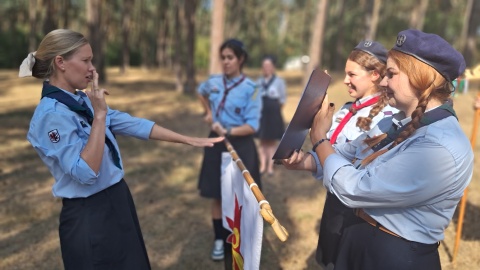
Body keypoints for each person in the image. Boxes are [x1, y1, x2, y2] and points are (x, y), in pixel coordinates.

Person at [21, 29, 223, 270]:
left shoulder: (81, 100)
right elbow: (85, 171)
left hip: (117, 200)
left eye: (91, 60)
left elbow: (131, 123)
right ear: (61, 62)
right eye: (85, 60)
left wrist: (188, 139)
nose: (92, 69)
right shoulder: (51, 115)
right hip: (89, 214)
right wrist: (100, 115)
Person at [283, 29, 473, 269]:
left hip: (396, 255)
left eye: (391, 74)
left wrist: (320, 139)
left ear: (420, 78)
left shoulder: (439, 147)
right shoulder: (395, 121)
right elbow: (349, 153)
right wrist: (304, 162)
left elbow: (357, 187)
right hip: (362, 238)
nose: (383, 82)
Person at [317, 40, 397, 269]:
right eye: (345, 73)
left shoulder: (386, 116)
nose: (345, 80)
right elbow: (331, 149)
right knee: (329, 259)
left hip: (358, 208)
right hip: (335, 198)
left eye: (352, 74)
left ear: (374, 75)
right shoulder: (346, 108)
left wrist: (319, 139)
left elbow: (359, 160)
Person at [197, 39, 262, 264]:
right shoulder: (214, 82)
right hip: (215, 144)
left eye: (230, 57)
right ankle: (218, 239)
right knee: (216, 193)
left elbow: (252, 126)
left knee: (241, 198)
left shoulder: (252, 89)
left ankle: (240, 240)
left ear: (240, 59)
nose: (225, 62)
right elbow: (200, 92)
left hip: (240, 146)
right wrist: (207, 112)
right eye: (222, 57)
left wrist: (227, 129)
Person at [256, 55, 287, 176]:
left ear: (273, 67)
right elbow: (254, 97)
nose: (266, 68)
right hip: (261, 114)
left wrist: (274, 111)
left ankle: (270, 167)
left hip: (273, 113)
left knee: (272, 142)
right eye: (264, 66)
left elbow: (282, 100)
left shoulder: (279, 82)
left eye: (269, 65)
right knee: (262, 141)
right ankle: (262, 165)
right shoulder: (258, 82)